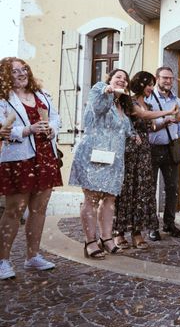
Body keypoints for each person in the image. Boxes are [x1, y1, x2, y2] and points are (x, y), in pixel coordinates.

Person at [0, 57, 62, 279]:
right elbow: (3, 128)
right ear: (6, 76)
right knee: (14, 210)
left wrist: (51, 128)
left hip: (46, 157)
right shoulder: (3, 99)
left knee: (39, 209)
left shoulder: (43, 94)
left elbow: (56, 118)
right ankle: (3, 260)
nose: (21, 73)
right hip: (19, 159)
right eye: (15, 71)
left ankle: (32, 256)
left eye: (23, 69)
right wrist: (27, 130)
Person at [69, 69, 135, 259]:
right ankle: (90, 241)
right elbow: (98, 109)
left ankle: (106, 238)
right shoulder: (100, 90)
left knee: (110, 199)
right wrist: (107, 90)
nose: (122, 80)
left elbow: (124, 128)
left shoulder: (121, 103)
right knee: (91, 198)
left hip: (114, 158)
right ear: (110, 79)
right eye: (118, 77)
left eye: (125, 79)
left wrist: (134, 135)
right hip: (94, 154)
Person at [113, 71, 177, 250]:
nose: (151, 88)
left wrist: (168, 121)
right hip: (129, 149)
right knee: (127, 191)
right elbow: (141, 115)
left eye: (152, 84)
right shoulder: (129, 101)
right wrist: (167, 111)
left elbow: (152, 126)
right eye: (149, 84)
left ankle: (136, 233)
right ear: (140, 84)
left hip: (144, 152)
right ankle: (118, 233)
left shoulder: (148, 105)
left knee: (142, 193)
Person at [146, 66, 180, 241]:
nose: (168, 81)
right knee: (150, 189)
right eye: (164, 78)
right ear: (157, 78)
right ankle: (152, 227)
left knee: (172, 189)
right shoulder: (148, 99)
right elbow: (146, 124)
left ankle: (169, 223)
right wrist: (165, 120)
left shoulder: (179, 102)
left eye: (170, 78)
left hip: (171, 148)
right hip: (151, 149)